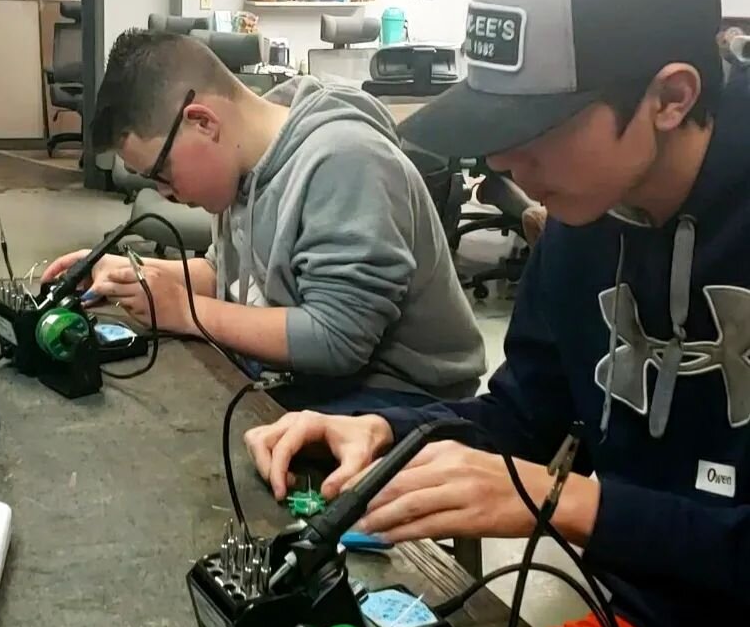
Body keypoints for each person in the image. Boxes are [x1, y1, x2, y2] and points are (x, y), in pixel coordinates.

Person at [245, 0, 750, 627]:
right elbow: (517, 416)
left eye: (539, 126)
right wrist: (379, 427)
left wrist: (567, 500)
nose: (500, 162)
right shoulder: (583, 218)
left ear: (670, 97)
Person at [42, 29, 485, 409]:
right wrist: (129, 272)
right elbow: (226, 276)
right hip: (321, 381)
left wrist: (184, 312)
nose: (165, 194)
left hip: (402, 397)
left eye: (161, 173)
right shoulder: (243, 169)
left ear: (202, 123)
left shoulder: (346, 161)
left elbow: (338, 339)